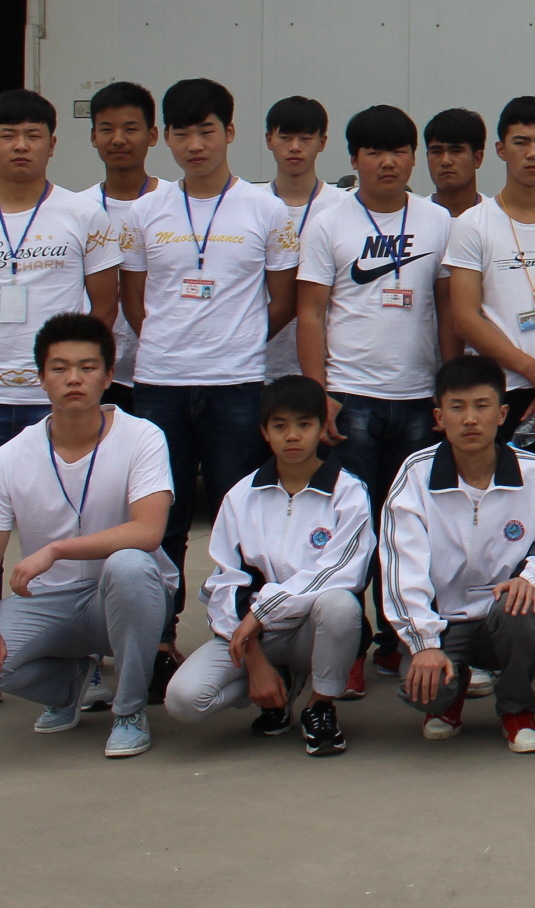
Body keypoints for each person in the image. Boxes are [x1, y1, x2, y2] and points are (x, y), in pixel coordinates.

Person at [0, 90, 120, 692]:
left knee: (71, 534)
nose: (21, 146)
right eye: (8, 135)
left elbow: (104, 305)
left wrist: (67, 378)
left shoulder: (84, 216)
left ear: (53, 145)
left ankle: (82, 662)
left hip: (56, 404)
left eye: (34, 135)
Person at [122, 77, 299, 693]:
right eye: (182, 133)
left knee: (241, 517)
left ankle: (250, 639)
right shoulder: (145, 212)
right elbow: (135, 300)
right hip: (160, 385)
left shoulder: (267, 211)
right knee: (161, 521)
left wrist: (237, 340)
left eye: (206, 130)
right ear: (165, 139)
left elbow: (283, 300)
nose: (194, 145)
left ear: (230, 132)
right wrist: (171, 343)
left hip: (236, 385)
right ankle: (158, 641)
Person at [0, 313, 176, 758]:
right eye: (60, 368)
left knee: (129, 564)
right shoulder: (12, 456)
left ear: (109, 375)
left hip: (122, 600)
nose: (74, 379)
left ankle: (128, 711)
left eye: (88, 367)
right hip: (47, 603)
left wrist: (56, 550)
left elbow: (147, 531)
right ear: (41, 378)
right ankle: (66, 686)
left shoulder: (142, 437)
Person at [296, 104, 457, 674]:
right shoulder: (328, 222)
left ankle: (400, 639)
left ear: (413, 158)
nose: (387, 162)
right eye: (374, 152)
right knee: (353, 528)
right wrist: (318, 395)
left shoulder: (438, 222)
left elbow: (447, 310)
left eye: (398, 151)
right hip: (350, 398)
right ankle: (350, 646)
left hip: (417, 398)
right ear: (354, 158)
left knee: (411, 529)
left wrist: (446, 389)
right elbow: (310, 314)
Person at [381, 354, 535, 751]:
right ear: (439, 417)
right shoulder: (416, 474)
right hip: (443, 621)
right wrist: (423, 644)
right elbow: (400, 566)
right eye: (457, 408)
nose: (470, 419)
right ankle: (448, 701)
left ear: (502, 414)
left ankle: (517, 710)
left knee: (519, 606)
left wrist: (531, 579)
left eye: (482, 406)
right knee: (424, 690)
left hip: (501, 618)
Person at [161, 376, 372, 756]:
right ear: (264, 431)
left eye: (304, 424)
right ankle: (281, 684)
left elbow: (340, 571)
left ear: (323, 427)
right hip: (254, 634)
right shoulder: (241, 496)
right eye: (280, 425)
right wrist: (254, 658)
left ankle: (320, 705)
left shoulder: (349, 493)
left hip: (311, 630)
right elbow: (225, 582)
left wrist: (262, 612)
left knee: (340, 604)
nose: (292, 436)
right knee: (183, 700)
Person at [445, 96, 535, 464]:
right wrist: (532, 371)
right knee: (500, 493)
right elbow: (464, 317)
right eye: (521, 142)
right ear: (500, 149)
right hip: (498, 391)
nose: (532, 153)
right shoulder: (472, 224)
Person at [87, 80, 163, 404]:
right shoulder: (76, 210)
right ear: (93, 136)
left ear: (152, 135)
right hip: (92, 375)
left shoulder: (175, 204)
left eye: (130, 128)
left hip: (161, 371)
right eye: (107, 129)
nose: (118, 139)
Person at [260, 95, 340, 382]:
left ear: (322, 142)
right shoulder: (249, 205)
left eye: (306, 138)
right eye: (285, 137)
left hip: (328, 368)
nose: (295, 147)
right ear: (269, 140)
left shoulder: (344, 207)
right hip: (258, 366)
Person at [424, 108, 486, 220]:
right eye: (436, 152)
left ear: (477, 158)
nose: (445, 161)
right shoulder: (411, 218)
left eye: (456, 151)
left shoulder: (498, 218)